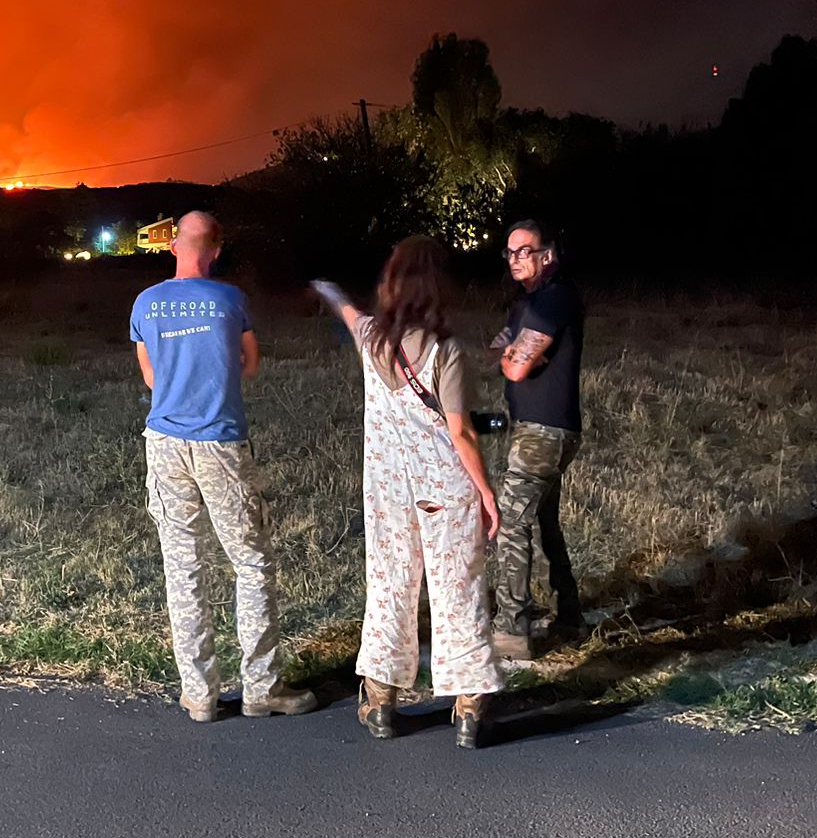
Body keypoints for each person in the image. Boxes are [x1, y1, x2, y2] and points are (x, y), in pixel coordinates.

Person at [312, 236, 503, 750]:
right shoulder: (448, 351)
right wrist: (486, 492)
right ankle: (467, 709)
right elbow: (461, 433)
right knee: (456, 591)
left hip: (388, 491)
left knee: (391, 587)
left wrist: (327, 290)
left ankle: (380, 701)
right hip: (444, 488)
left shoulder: (373, 339)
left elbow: (351, 314)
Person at [130, 211, 317, 722]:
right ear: (215, 249)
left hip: (165, 444)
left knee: (184, 567)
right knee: (251, 563)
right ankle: (261, 686)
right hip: (221, 445)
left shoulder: (145, 304)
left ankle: (199, 694)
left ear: (173, 244)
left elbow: (151, 380)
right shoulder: (232, 301)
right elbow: (249, 365)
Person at [491, 218, 587, 660]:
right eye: (509, 252)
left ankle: (511, 629)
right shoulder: (528, 304)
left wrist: (516, 352)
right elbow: (501, 348)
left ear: (547, 254)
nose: (515, 259)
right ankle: (570, 613)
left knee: (511, 522)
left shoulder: (553, 300)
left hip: (544, 432)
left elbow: (513, 366)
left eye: (523, 251)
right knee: (545, 521)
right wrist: (517, 349)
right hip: (538, 428)